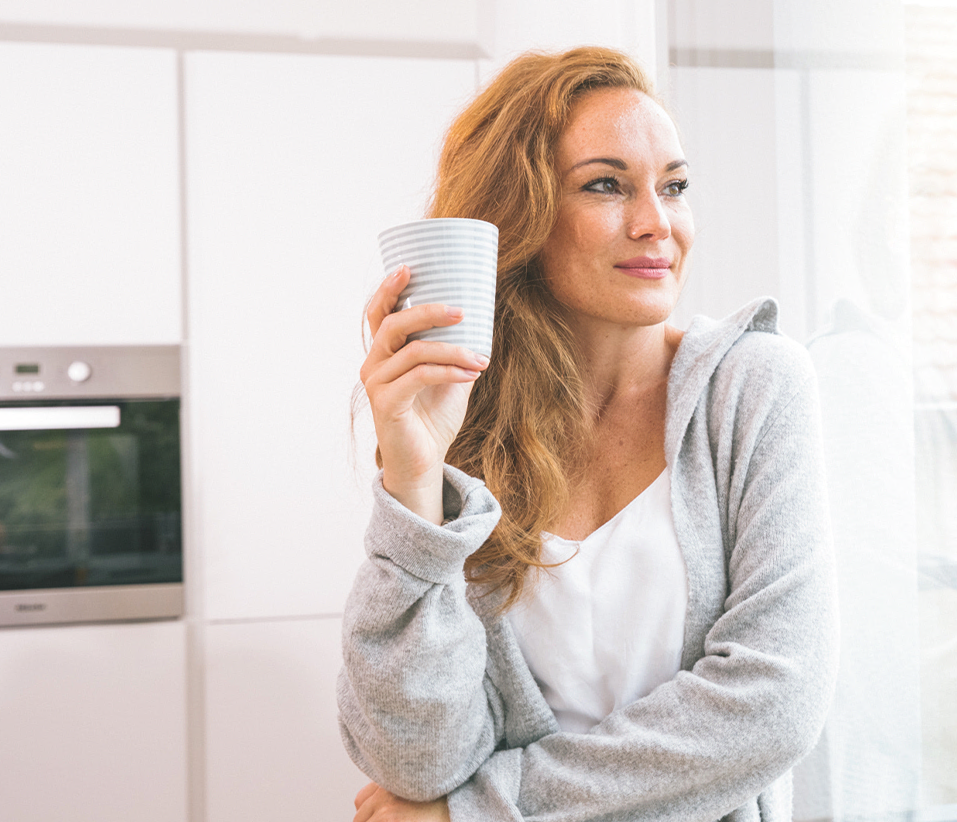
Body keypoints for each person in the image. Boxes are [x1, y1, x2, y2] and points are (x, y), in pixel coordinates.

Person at [339, 46, 837, 822]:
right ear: (522, 217)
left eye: (673, 186)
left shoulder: (754, 389)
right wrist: (413, 479)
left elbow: (771, 706)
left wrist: (481, 812)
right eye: (606, 185)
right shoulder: (468, 425)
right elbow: (418, 758)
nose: (656, 223)